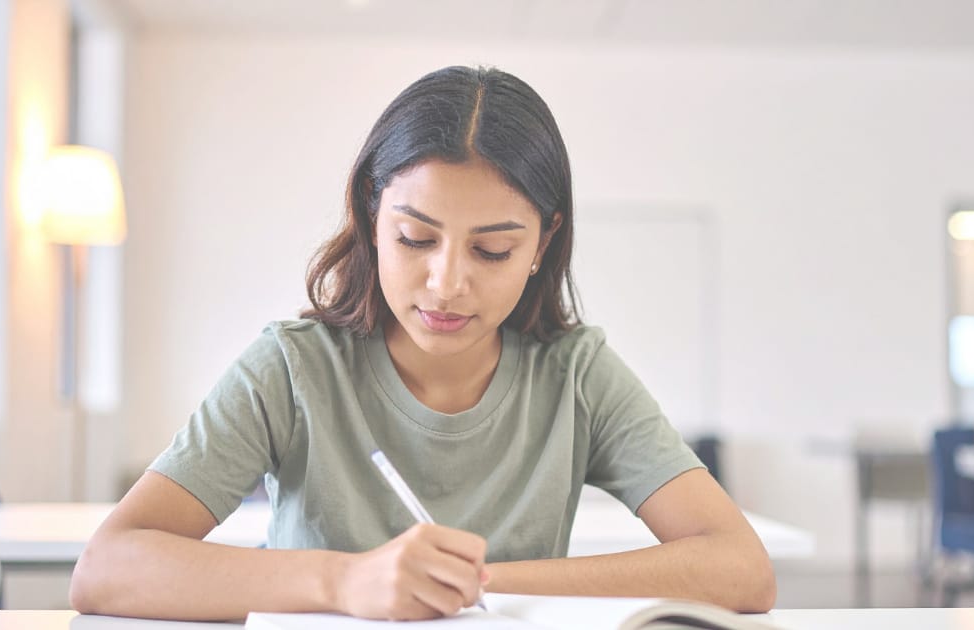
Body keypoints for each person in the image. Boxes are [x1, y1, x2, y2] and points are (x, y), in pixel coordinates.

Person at [68, 66, 775, 622]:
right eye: (416, 238)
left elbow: (741, 570)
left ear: (543, 244)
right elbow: (107, 568)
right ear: (373, 217)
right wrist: (347, 580)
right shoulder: (293, 368)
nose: (446, 284)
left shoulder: (576, 376)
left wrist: (472, 583)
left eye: (493, 251)